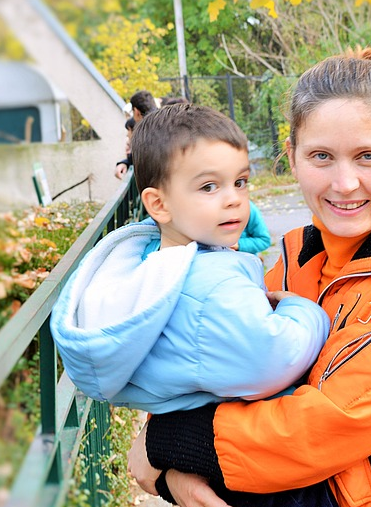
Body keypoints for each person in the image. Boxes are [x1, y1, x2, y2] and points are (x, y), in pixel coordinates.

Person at [128, 47, 371, 507]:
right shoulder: (296, 253)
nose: (343, 183)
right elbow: (230, 369)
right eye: (321, 156)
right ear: (292, 158)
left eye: (368, 157)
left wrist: (164, 448)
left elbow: (321, 427)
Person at [51, 103, 330, 414]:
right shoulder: (210, 288)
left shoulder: (154, 265)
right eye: (209, 186)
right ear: (159, 204)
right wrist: (304, 310)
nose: (234, 200)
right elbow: (277, 357)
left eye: (239, 182)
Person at [115, 90, 157, 179]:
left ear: (136, 111)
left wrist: (126, 162)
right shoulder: (164, 121)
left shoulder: (145, 131)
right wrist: (126, 162)